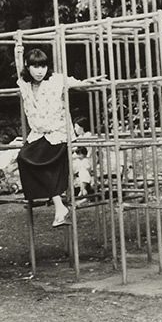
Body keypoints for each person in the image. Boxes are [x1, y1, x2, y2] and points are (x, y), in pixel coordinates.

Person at [14, 45, 107, 227]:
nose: (40, 71)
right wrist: (18, 50)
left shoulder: (55, 80)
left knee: (39, 162)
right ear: (28, 66)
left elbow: (75, 83)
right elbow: (19, 67)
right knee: (24, 159)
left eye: (43, 66)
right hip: (38, 135)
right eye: (35, 67)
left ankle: (59, 207)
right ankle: (59, 207)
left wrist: (89, 82)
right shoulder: (25, 83)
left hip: (58, 133)